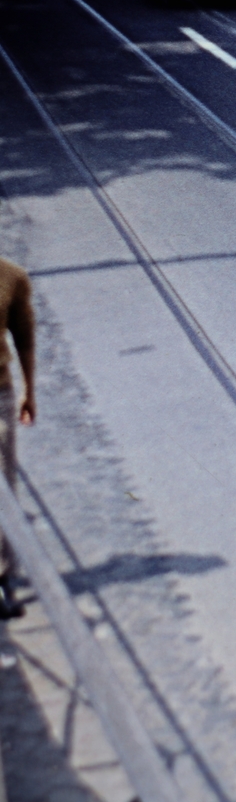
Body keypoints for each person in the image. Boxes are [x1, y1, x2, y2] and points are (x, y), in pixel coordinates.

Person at [0, 258, 38, 620]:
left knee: (3, 489)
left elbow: (24, 337)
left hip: (0, 395)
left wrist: (30, 392)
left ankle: (2, 578)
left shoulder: (11, 277)